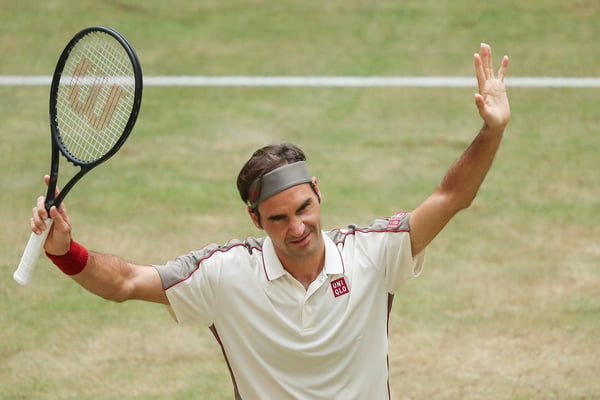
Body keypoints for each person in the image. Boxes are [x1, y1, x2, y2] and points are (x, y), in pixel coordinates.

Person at [30, 43, 510, 399]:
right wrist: (65, 252)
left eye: (304, 208)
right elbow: (127, 282)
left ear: (318, 192)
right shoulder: (223, 274)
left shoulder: (374, 253)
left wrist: (491, 131)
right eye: (278, 218)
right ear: (255, 219)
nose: (297, 227)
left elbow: (452, 197)